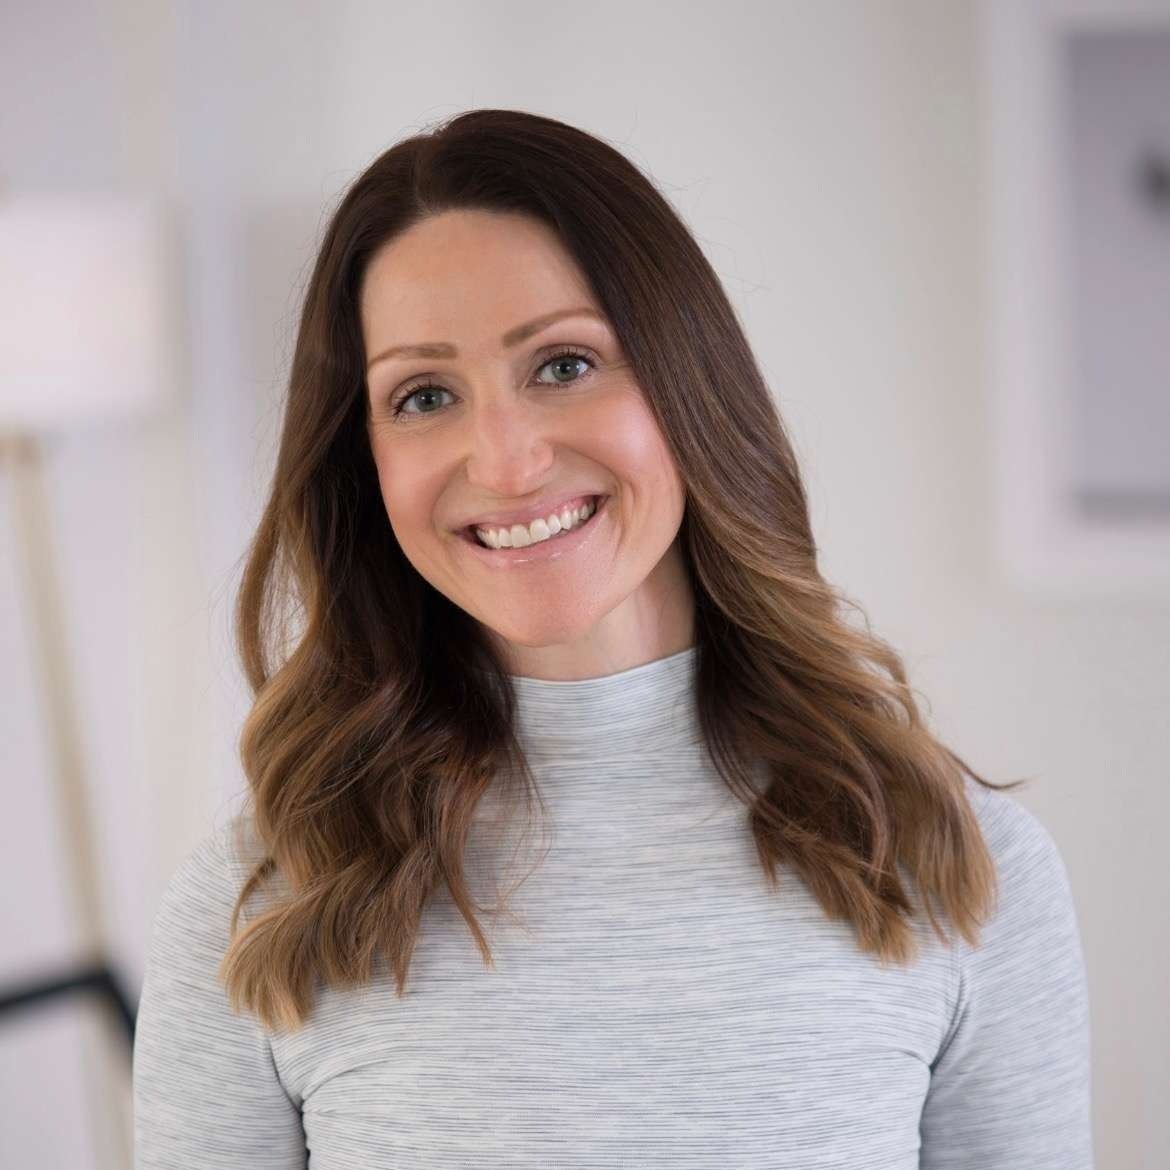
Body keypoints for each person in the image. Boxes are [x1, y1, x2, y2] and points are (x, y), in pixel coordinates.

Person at [132, 108, 1094, 1168]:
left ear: (687, 381)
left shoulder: (953, 865)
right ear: (364, 461)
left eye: (561, 365)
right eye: (425, 394)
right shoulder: (263, 908)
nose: (503, 461)